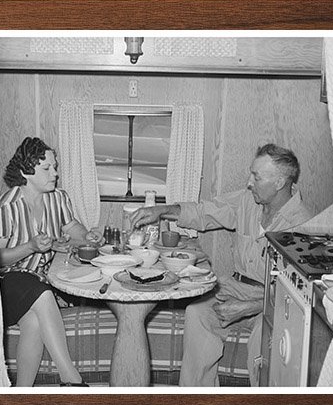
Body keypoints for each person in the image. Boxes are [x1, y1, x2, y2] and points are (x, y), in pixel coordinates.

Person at [130, 143, 313, 387]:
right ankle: (196, 401)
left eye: (256, 177)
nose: (249, 182)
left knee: (264, 336)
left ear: (279, 183)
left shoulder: (304, 225)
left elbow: (300, 294)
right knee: (198, 311)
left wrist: (248, 307)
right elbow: (205, 211)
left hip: (275, 300)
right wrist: (161, 210)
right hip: (236, 286)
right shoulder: (248, 201)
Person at [0, 136, 95, 388]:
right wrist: (30, 247)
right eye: (47, 168)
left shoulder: (58, 198)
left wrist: (88, 236)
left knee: (33, 322)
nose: (55, 173)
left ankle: (21, 395)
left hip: (38, 280)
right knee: (43, 295)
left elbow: (73, 227)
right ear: (26, 171)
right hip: (5, 282)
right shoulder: (4, 208)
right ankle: (72, 379)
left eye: (54, 167)